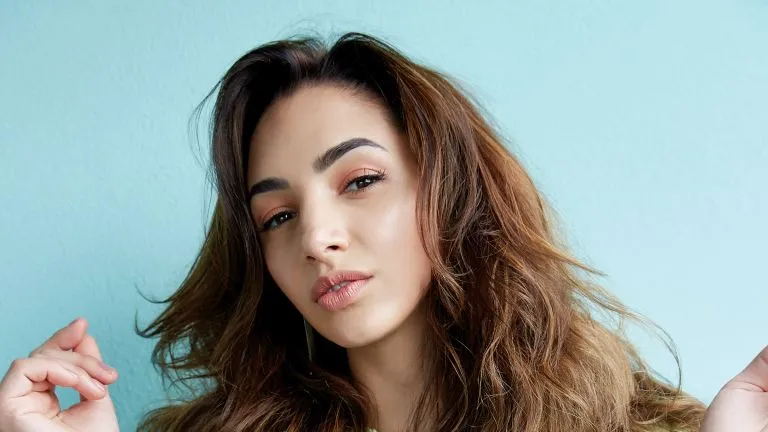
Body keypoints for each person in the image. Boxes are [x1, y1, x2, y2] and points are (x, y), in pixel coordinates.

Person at [0, 31, 765, 432]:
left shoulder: (635, 425)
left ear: (450, 191)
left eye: (359, 181)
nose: (316, 237)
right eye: (277, 216)